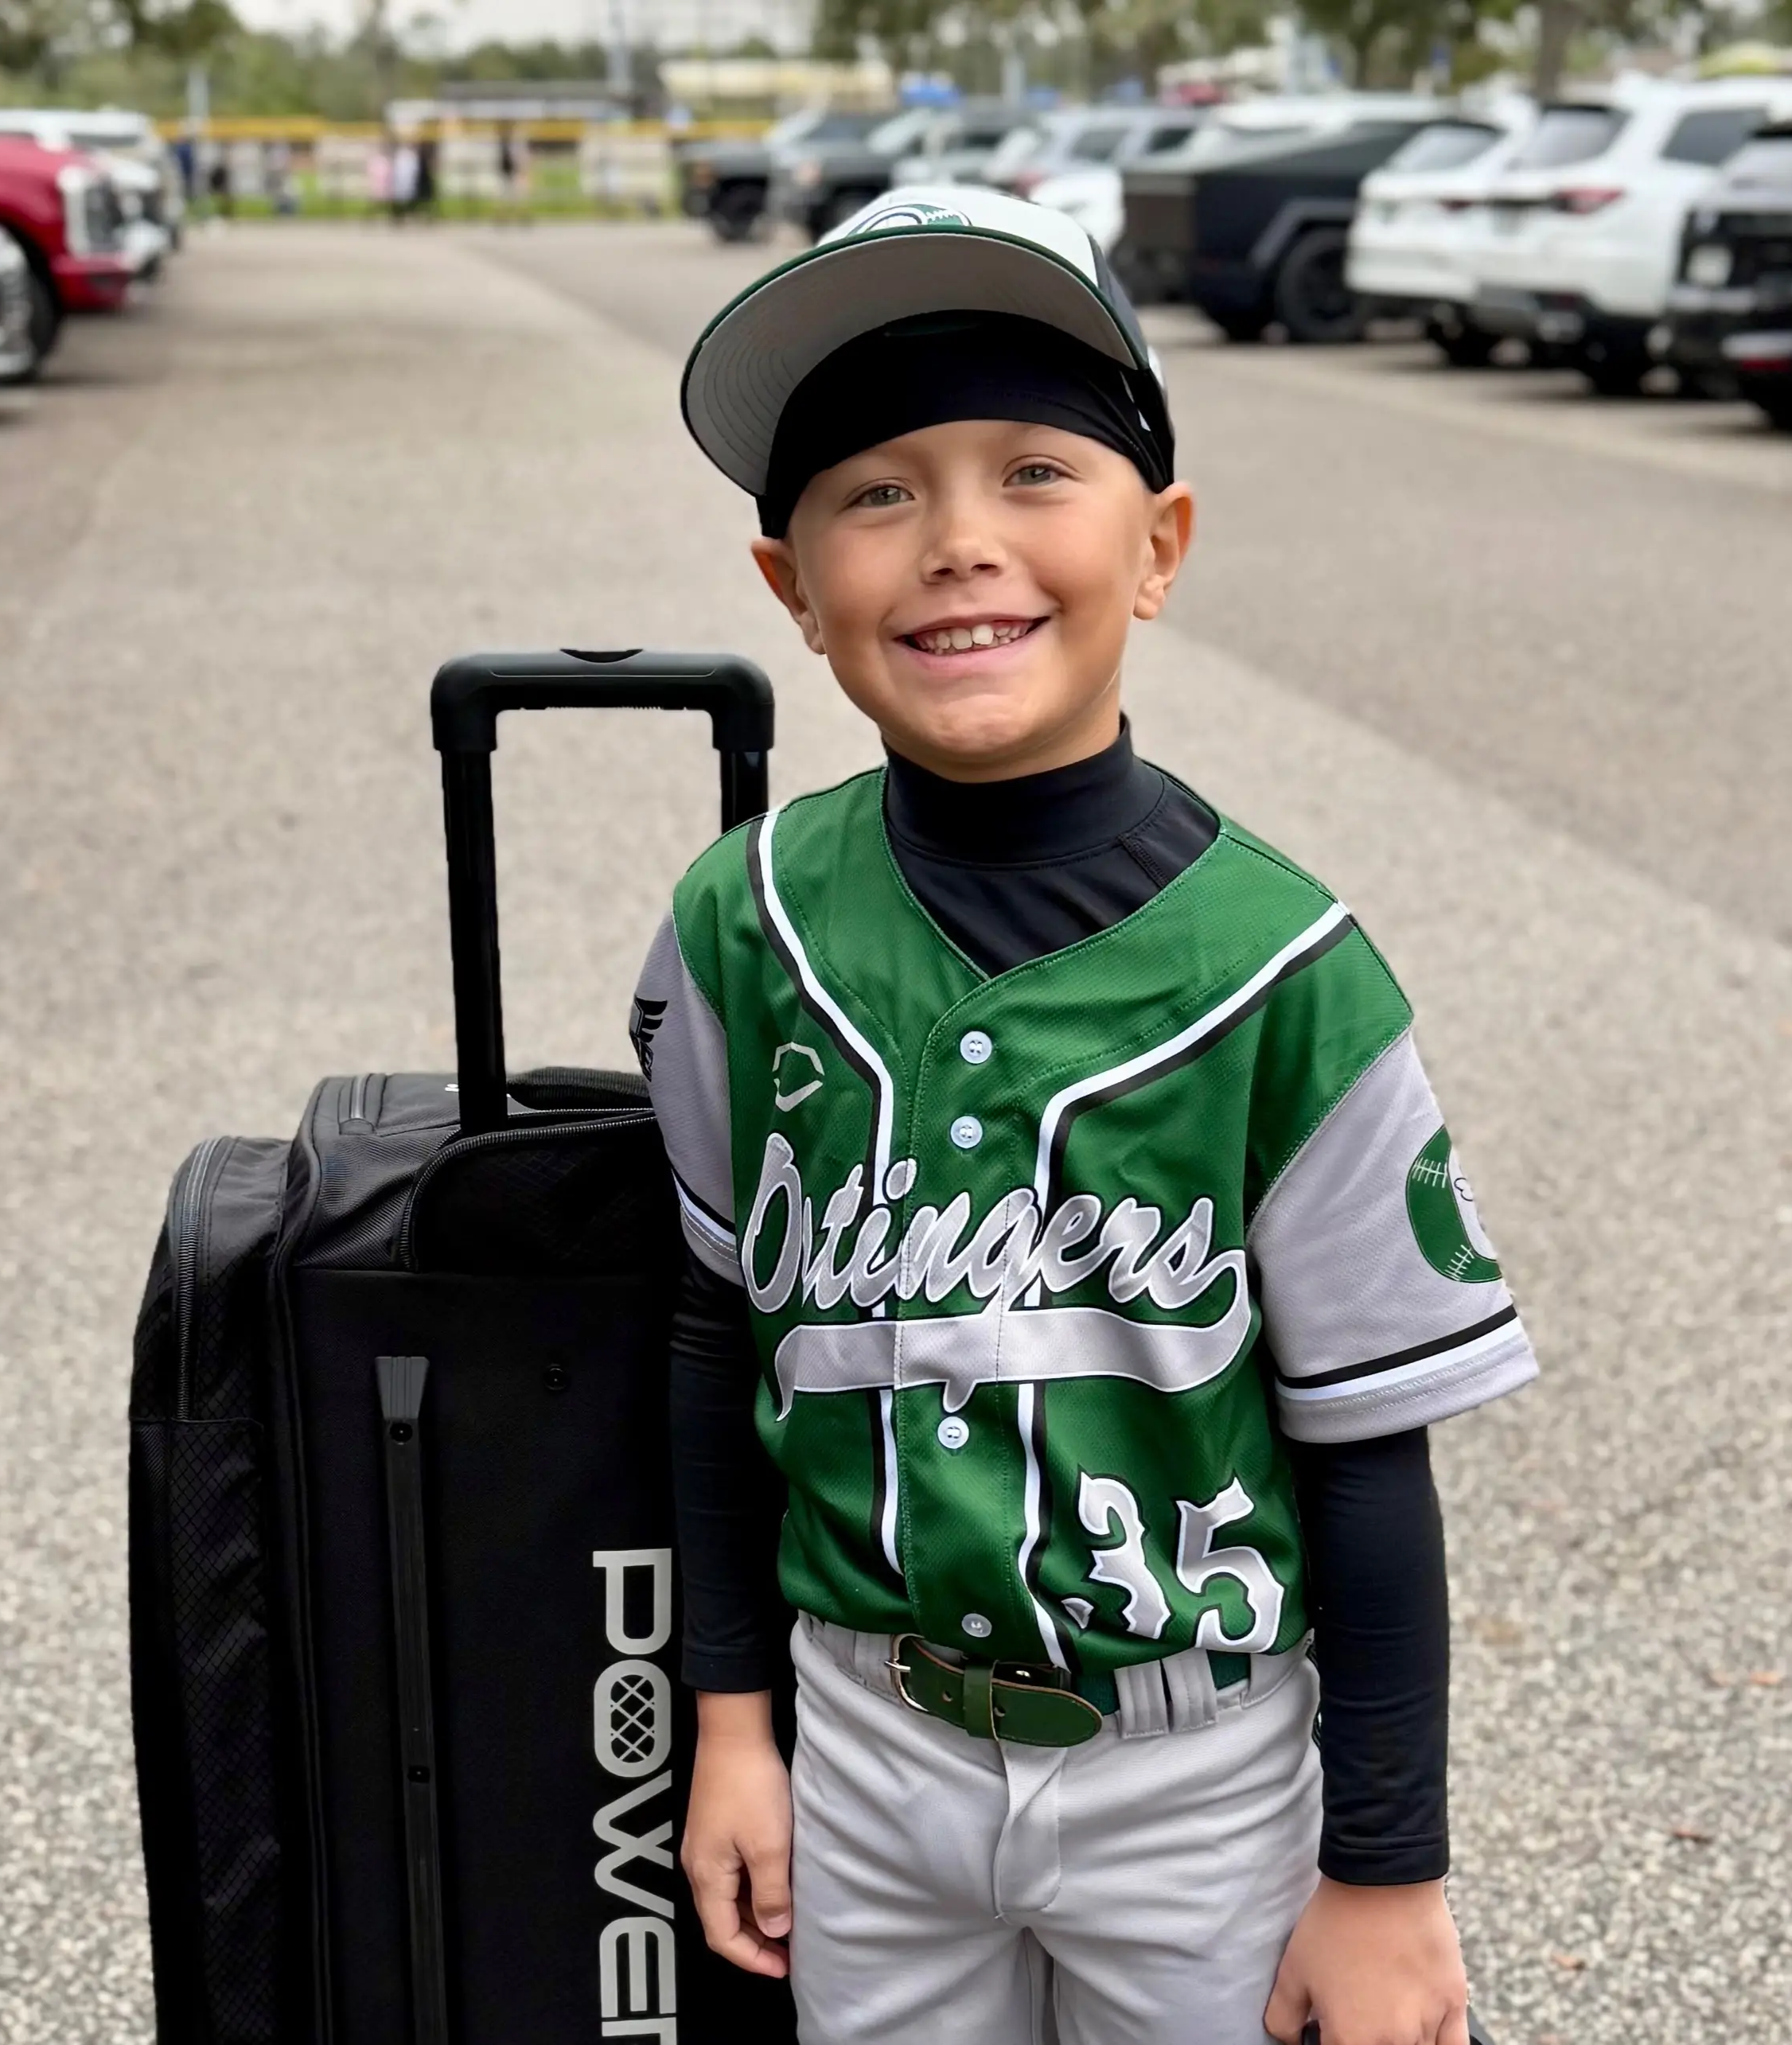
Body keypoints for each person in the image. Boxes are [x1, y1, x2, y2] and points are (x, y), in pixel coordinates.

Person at [633, 187, 1539, 2045]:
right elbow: (718, 1337)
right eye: (875, 492)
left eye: (1034, 470)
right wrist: (730, 1723)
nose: (958, 539)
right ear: (790, 587)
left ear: (1158, 546)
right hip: (864, 1738)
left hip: (1191, 1773)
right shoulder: (742, 923)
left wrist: (1386, 1875)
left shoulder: (1286, 971)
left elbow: (1367, 1458)